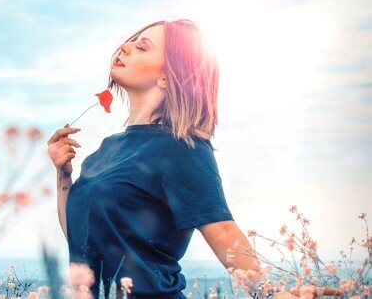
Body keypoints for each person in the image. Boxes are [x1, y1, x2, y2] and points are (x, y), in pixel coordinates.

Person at [46, 19, 340, 298]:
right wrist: (63, 176)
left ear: (166, 76)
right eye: (130, 41)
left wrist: (266, 292)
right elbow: (80, 237)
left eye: (142, 46)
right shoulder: (105, 151)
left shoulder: (182, 146)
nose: (125, 47)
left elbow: (222, 228)